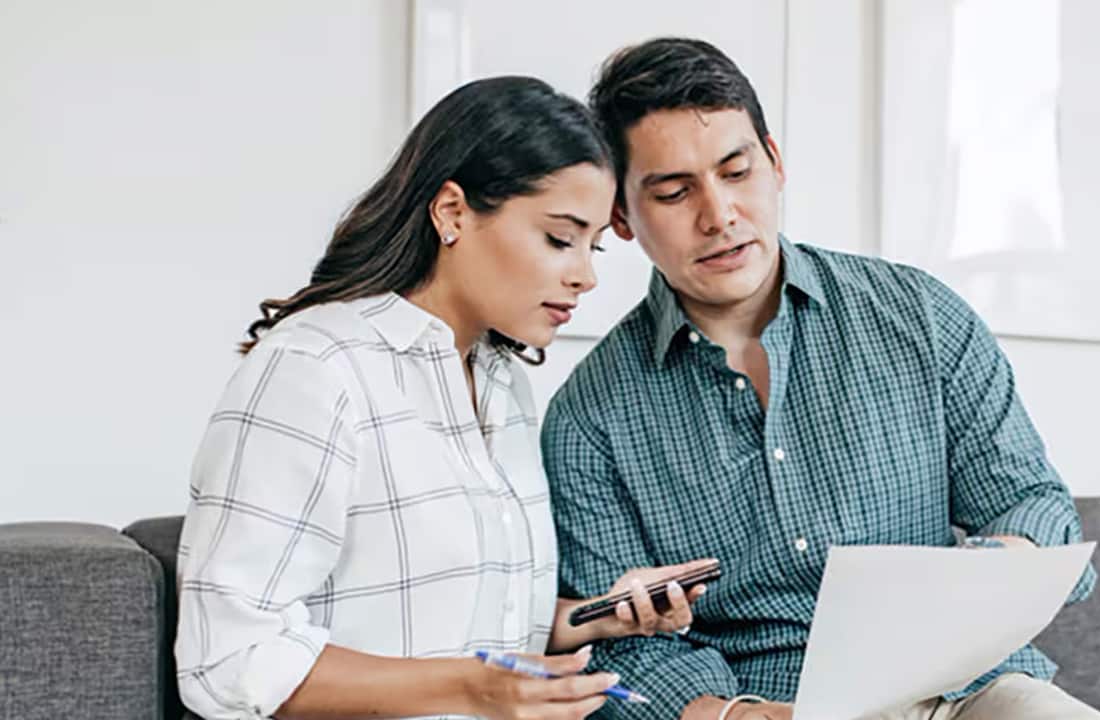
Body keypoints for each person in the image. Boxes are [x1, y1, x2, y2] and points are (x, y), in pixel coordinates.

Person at [543, 39, 1100, 720]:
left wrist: (978, 577)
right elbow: (620, 657)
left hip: (970, 693)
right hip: (766, 707)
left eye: (737, 171)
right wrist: (732, 714)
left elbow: (1033, 504)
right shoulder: (588, 419)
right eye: (673, 191)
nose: (719, 216)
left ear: (775, 165)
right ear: (623, 218)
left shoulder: (920, 315)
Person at [176, 76, 709, 720]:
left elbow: (463, 631)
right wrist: (473, 689)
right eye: (559, 238)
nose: (585, 275)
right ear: (453, 212)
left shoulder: (501, 382)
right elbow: (228, 661)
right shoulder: (314, 370)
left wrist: (596, 619)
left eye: (591, 246)